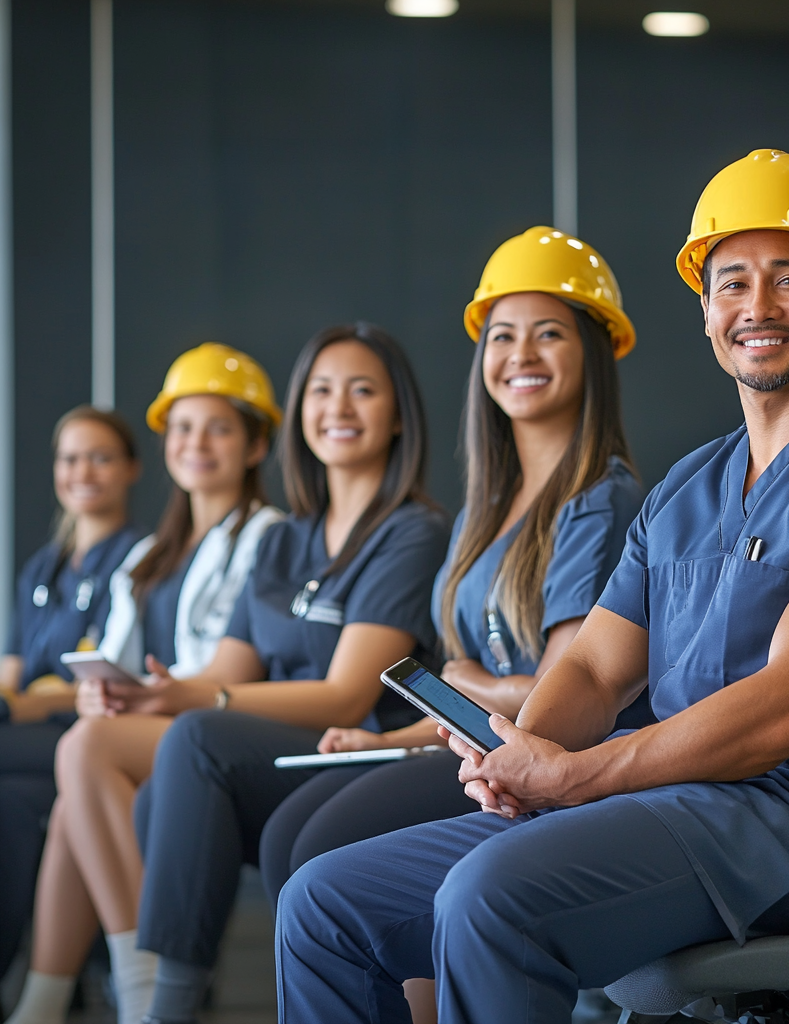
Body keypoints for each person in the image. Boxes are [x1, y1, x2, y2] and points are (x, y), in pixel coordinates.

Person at [274, 149, 789, 1024]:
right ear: (705, 311)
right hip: (664, 809)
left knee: (491, 899)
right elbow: (597, 671)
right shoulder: (689, 487)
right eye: (731, 284)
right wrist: (521, 754)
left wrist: (576, 778)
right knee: (322, 904)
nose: (756, 307)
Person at [259, 230, 645, 1020]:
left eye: (549, 333)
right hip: (484, 751)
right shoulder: (481, 512)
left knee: (315, 852)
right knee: (289, 837)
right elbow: (466, 699)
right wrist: (386, 739)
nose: (520, 353)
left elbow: (557, 689)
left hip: (552, 770)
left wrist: (465, 683)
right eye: (501, 335)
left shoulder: (599, 501)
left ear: (594, 353)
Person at [105, 323, 450, 1024]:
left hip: (366, 752)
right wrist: (160, 693)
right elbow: (230, 671)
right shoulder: (284, 538)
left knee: (198, 740)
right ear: (299, 415)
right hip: (297, 756)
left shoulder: (410, 531)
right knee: (163, 785)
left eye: (362, 390)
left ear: (397, 417)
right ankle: (177, 1000)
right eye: (322, 390)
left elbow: (351, 694)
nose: (339, 408)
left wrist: (200, 697)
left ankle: (161, 1010)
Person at [5, 343, 283, 1024]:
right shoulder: (155, 551)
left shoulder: (268, 536)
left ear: (254, 446)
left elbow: (231, 674)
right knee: (76, 795)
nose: (196, 444)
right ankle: (45, 1004)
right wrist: (103, 690)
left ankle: (146, 990)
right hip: (156, 723)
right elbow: (114, 657)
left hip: (221, 726)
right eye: (183, 428)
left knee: (83, 752)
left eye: (218, 427)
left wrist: (136, 698)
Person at [0, 406, 141, 985]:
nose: (82, 470)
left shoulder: (138, 561)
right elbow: (12, 673)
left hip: (80, 734)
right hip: (25, 741)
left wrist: (23, 704)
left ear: (131, 469)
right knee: (9, 809)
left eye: (100, 457)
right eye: (70, 457)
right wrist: (19, 701)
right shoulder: (42, 567)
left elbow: (93, 685)